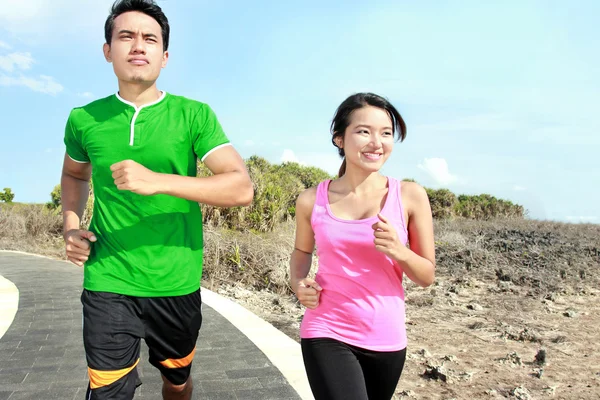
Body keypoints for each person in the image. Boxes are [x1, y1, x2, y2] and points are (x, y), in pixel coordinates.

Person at [60, 1, 253, 399]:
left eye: (150, 39)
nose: (137, 46)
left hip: (175, 282)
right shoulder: (84, 118)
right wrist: (71, 225)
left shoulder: (193, 115)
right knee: (107, 392)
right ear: (107, 50)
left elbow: (240, 188)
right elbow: (74, 173)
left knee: (177, 384)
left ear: (164, 57)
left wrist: (158, 181)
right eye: (125, 36)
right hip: (108, 277)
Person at [289, 92, 436, 400]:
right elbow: (302, 252)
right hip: (327, 329)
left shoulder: (410, 196)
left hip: (387, 338)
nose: (376, 142)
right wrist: (298, 282)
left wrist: (399, 250)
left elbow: (426, 276)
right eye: (364, 131)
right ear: (339, 139)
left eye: (386, 133)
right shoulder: (311, 200)